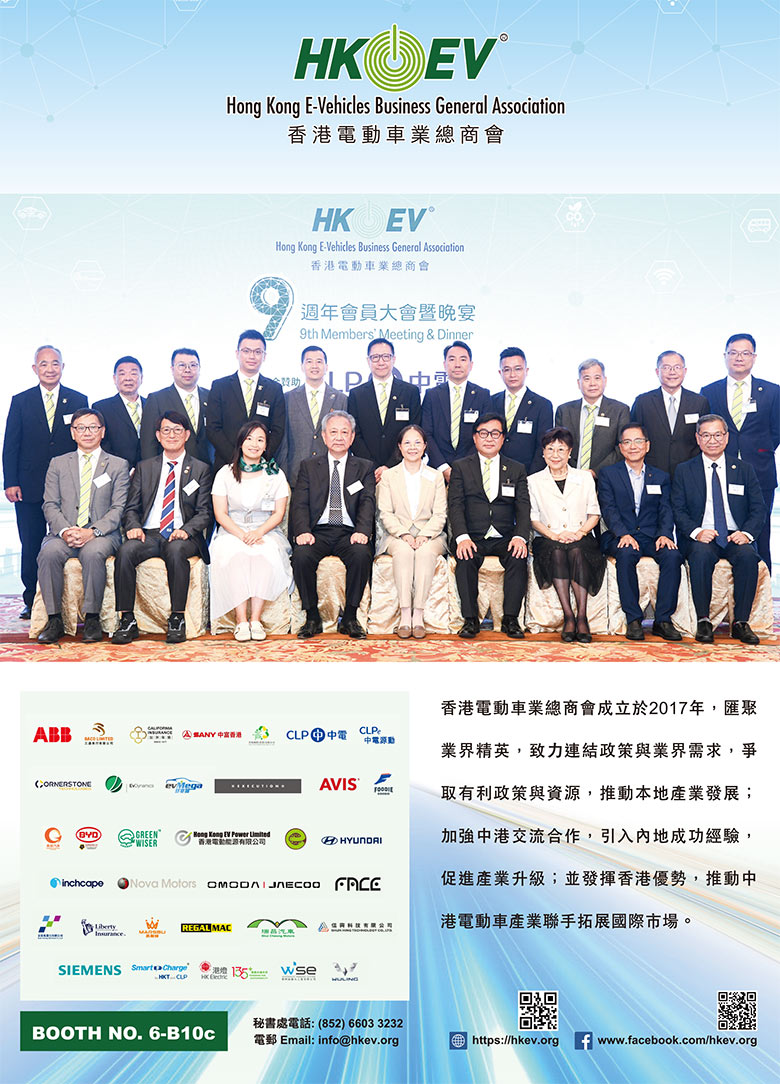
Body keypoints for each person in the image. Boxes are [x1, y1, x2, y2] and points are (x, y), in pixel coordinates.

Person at [111, 410, 212, 645]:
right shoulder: (145, 467)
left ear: (187, 435)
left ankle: (177, 618)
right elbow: (131, 507)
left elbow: (204, 512)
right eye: (166, 430)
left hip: (182, 534)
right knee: (125, 552)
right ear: (158, 435)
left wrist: (186, 530)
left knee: (176, 551)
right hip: (149, 533)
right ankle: (127, 619)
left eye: (177, 430)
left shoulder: (200, 469)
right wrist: (134, 526)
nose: (172, 435)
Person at [2, 345, 88, 618]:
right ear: (35, 368)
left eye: (55, 363)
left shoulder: (78, 399)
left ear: (62, 367)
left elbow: (86, 440)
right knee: (31, 543)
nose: (50, 369)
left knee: (68, 541)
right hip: (28, 486)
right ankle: (32, 600)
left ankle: (69, 601)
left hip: (69, 486)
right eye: (44, 364)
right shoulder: (21, 401)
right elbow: (11, 444)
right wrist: (10, 481)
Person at [36, 408, 129, 644]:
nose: (87, 432)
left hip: (102, 534)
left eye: (93, 427)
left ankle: (92, 619)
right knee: (48, 553)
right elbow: (50, 504)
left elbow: (118, 508)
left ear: (102, 431)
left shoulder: (117, 465)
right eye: (81, 428)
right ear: (73, 433)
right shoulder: (58, 464)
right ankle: (54, 619)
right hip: (64, 533)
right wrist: (66, 530)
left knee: (93, 553)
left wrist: (93, 531)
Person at [671, 414, 765, 645]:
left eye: (717, 435)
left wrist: (746, 534)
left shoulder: (743, 469)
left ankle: (741, 622)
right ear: (697, 438)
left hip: (735, 535)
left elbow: (758, 509)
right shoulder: (684, 470)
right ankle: (704, 620)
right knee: (700, 555)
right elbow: (678, 509)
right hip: (701, 535)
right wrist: (696, 532)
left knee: (748, 557)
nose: (712, 440)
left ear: (726, 437)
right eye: (706, 435)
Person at [289, 410, 375, 640]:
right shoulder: (309, 466)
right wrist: (302, 531)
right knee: (302, 556)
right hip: (318, 531)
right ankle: (312, 617)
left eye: (344, 432)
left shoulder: (364, 467)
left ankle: (350, 617)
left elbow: (367, 502)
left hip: (349, 532)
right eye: (333, 432)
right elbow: (299, 503)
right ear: (324, 436)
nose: (339, 437)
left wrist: (362, 531)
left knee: (361, 554)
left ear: (352, 437)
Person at [447, 412, 530, 640]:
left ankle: (510, 619)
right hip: (472, 535)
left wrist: (520, 537)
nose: (489, 438)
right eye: (483, 433)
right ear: (475, 437)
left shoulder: (516, 468)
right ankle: (470, 619)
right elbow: (455, 505)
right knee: (465, 558)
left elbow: (523, 507)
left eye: (495, 433)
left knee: (518, 556)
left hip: (505, 536)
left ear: (503, 438)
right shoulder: (461, 467)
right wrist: (462, 537)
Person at [700, 334, 779, 570]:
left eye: (745, 353)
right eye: (733, 352)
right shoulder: (710, 391)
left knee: (760, 533)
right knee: (725, 531)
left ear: (754, 357)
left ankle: (761, 589)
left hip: (760, 471)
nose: (739, 358)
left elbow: (777, 430)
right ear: (725, 356)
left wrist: (760, 450)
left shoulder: (772, 391)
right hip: (720, 471)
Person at [599, 424, 683, 641]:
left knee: (673, 556)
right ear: (620, 447)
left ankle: (663, 620)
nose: (633, 446)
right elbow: (608, 509)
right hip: (620, 534)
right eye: (627, 442)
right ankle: (633, 619)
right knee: (626, 554)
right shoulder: (608, 474)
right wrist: (622, 534)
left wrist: (665, 534)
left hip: (652, 535)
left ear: (647, 445)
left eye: (638, 441)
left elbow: (666, 509)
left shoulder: (661, 476)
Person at [210, 421, 292, 642]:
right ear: (240, 442)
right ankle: (241, 621)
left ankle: (255, 620)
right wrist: (241, 535)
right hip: (232, 530)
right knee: (235, 554)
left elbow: (278, 513)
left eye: (260, 440)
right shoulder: (225, 473)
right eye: (249, 439)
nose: (254, 444)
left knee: (263, 554)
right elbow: (220, 514)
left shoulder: (275, 474)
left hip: (265, 530)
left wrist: (258, 532)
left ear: (265, 446)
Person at [528, 427, 604, 643]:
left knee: (577, 551)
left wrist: (580, 532)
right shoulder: (533, 480)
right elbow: (533, 518)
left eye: (561, 449)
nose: (555, 454)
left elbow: (594, 513)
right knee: (558, 552)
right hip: (548, 537)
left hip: (581, 536)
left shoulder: (584, 477)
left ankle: (582, 617)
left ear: (570, 452)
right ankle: (569, 616)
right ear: (543, 453)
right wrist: (553, 535)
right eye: (550, 449)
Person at [376, 424, 447, 638]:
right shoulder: (389, 476)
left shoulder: (436, 476)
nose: (412, 447)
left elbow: (440, 514)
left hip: (431, 535)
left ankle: (419, 615)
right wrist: (404, 534)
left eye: (417, 442)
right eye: (407, 442)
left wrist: (425, 534)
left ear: (425, 446)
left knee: (425, 552)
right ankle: (405, 615)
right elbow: (385, 513)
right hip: (397, 535)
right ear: (399, 446)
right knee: (404, 551)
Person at [206, 329, 285, 473]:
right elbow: (213, 428)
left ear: (264, 356)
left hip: (261, 466)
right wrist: (237, 459)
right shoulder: (220, 386)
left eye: (258, 352)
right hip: (226, 465)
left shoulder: (274, 389)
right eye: (246, 351)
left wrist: (258, 458)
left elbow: (278, 430)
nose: (252, 356)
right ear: (237, 353)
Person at [347, 338, 422, 482]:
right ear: (368, 361)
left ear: (393, 359)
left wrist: (390, 465)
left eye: (386, 357)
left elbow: (414, 430)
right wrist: (372, 466)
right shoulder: (357, 394)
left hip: (402, 468)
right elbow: (354, 434)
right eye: (375, 357)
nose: (381, 362)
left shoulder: (410, 392)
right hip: (366, 470)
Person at [630, 351, 709, 477]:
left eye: (677, 367)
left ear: (685, 371)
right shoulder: (643, 402)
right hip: (652, 471)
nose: (672, 372)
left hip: (691, 471)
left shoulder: (699, 402)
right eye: (666, 368)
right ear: (657, 372)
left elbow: (705, 437)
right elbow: (633, 436)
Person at [420, 341, 491, 480]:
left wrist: (463, 467)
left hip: (472, 470)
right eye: (452, 359)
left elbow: (484, 434)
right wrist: (443, 467)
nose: (457, 364)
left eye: (463, 359)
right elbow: (426, 433)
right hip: (437, 470)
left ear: (471, 365)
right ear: (444, 364)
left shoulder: (483, 395)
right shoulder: (432, 395)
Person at [278, 345, 347, 487]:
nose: (314, 366)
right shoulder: (288, 398)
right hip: (295, 476)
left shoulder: (341, 399)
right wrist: (283, 476)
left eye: (319, 361)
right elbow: (283, 442)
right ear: (302, 366)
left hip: (331, 475)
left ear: (326, 367)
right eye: (309, 361)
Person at [554, 359, 629, 476]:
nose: (592, 383)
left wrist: (595, 472)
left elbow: (622, 447)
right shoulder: (564, 411)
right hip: (568, 477)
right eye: (587, 378)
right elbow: (558, 446)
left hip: (605, 478)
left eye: (597, 378)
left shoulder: (620, 410)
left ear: (605, 381)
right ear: (578, 383)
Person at [140, 348, 211, 464]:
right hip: (171, 468)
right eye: (181, 365)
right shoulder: (156, 399)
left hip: (208, 467)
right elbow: (148, 442)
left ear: (199, 368)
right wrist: (151, 470)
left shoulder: (211, 396)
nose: (187, 370)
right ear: (172, 369)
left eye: (193, 365)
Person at [490, 346, 553, 474]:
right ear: (500, 373)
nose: (512, 375)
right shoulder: (491, 402)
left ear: (526, 370)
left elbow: (543, 446)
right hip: (493, 472)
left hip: (527, 474)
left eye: (518, 369)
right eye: (507, 370)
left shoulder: (542, 405)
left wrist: (532, 478)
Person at [93, 355, 146, 468]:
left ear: (141, 378)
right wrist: (124, 469)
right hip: (116, 471)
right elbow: (102, 444)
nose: (128, 378)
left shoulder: (152, 405)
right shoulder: (101, 408)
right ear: (114, 379)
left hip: (150, 471)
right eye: (122, 374)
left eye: (133, 373)